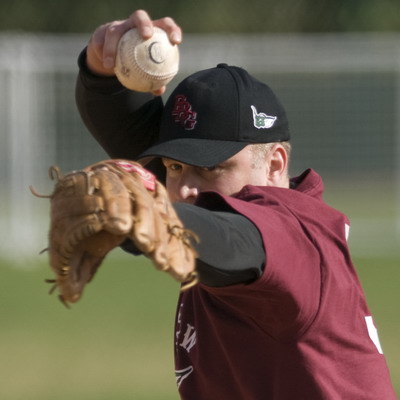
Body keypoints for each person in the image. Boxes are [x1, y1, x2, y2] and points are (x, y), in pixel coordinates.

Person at [75, 9, 396, 399]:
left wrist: (144, 215)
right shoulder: (197, 198)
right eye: (175, 166)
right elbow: (125, 126)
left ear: (275, 164)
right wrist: (103, 65)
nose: (185, 189)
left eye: (212, 167)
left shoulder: (296, 237)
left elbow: (232, 239)